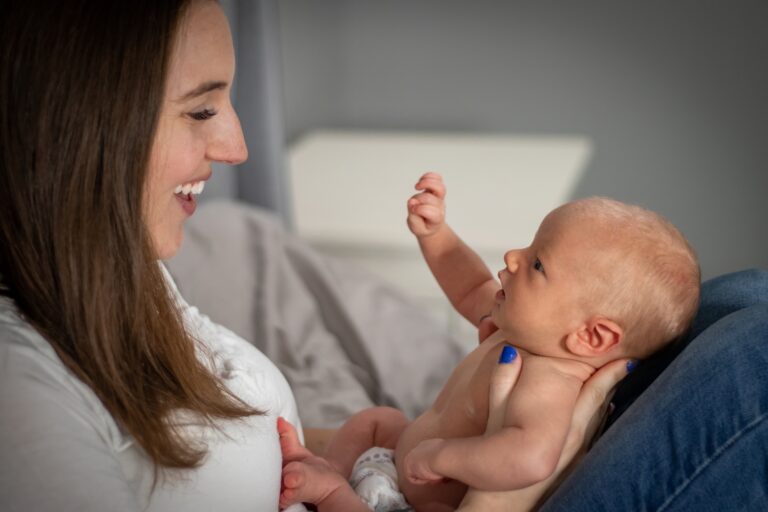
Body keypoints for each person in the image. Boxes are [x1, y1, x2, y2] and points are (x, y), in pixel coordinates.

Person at [0, 1, 628, 511]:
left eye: (539, 263)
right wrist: (504, 488)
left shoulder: (129, 275)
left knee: (725, 318)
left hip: (383, 473)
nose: (239, 147)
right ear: (82, 129)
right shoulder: (22, 396)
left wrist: (421, 452)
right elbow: (469, 291)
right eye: (200, 109)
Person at [277, 172, 700, 511]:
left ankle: (331, 493)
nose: (513, 257)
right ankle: (330, 464)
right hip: (399, 459)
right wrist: (436, 234)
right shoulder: (522, 327)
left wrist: (442, 456)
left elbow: (531, 457)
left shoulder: (549, 379)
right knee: (378, 419)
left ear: (590, 336)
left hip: (422, 499)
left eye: (537, 263)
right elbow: (468, 287)